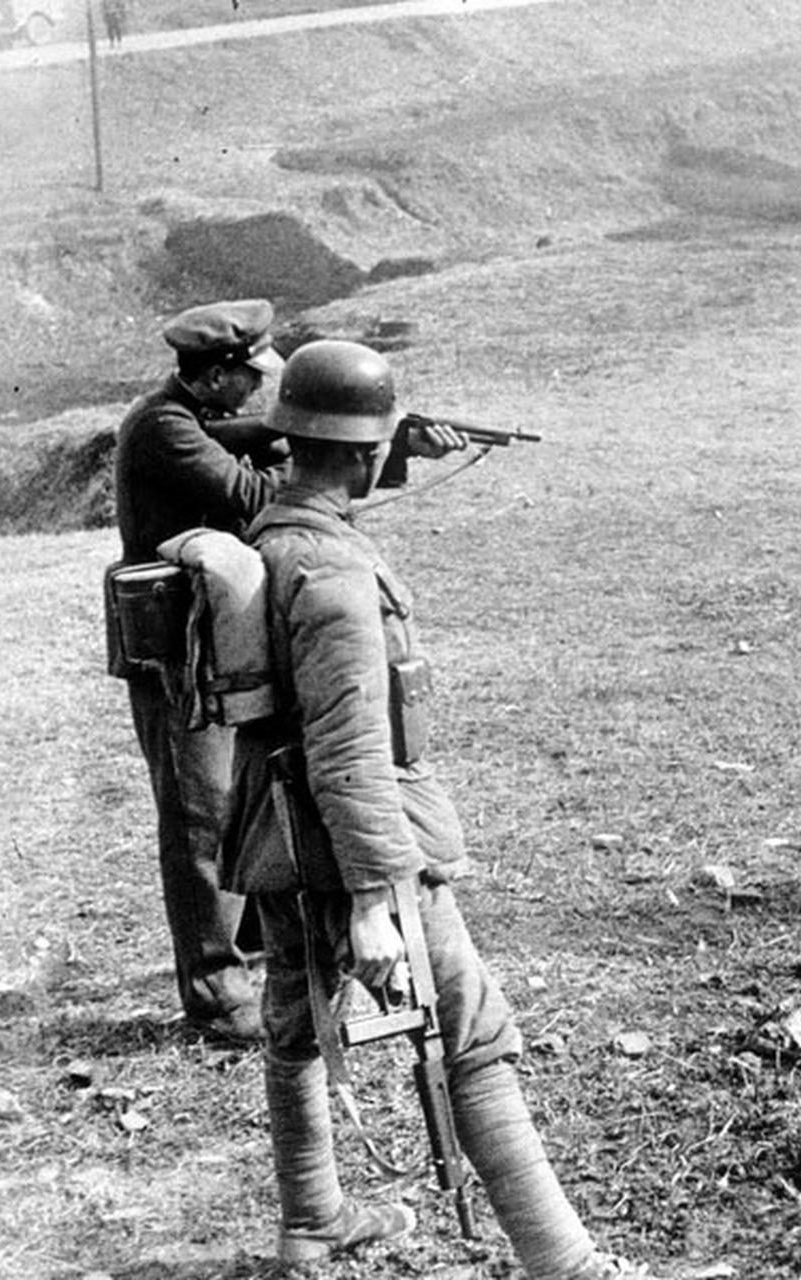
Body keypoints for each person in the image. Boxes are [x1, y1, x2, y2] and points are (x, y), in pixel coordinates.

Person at [222, 339, 651, 1275]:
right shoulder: (332, 575)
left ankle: (312, 1220)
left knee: (295, 1017)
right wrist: (380, 897)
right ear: (369, 455)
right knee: (473, 1028)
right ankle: (568, 1267)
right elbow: (348, 746)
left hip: (282, 841)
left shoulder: (279, 537)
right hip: (352, 844)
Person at [114, 299, 289, 1041]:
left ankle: (246, 955)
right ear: (215, 376)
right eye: (248, 380)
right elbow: (252, 503)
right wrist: (307, 449)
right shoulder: (163, 427)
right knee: (200, 815)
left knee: (242, 792)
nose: (257, 392)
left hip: (215, 634)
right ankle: (216, 996)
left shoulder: (192, 418)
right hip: (173, 649)